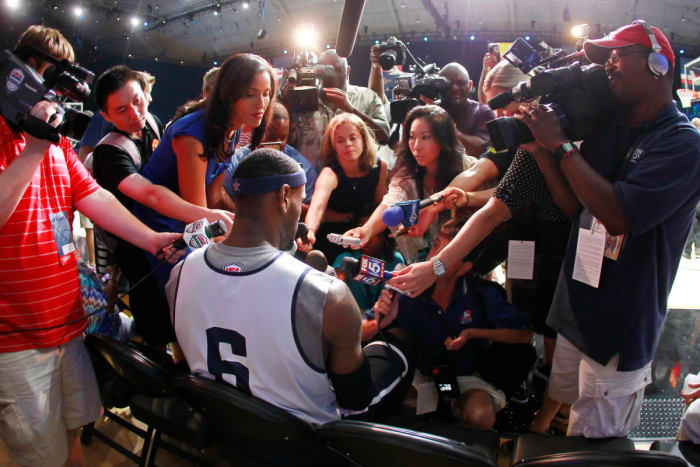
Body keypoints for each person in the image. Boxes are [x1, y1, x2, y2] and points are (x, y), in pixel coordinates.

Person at [404, 22, 700, 438]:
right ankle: (544, 429)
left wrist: (559, 145)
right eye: (606, 59)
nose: (610, 67)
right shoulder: (614, 129)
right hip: (578, 302)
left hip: (619, 322)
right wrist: (542, 150)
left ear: (657, 63)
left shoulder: (682, 143)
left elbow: (617, 215)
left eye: (618, 56)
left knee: (594, 442)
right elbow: (575, 207)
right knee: (566, 402)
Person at [0, 25, 181, 467]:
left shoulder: (56, 143)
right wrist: (32, 150)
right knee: (40, 455)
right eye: (39, 74)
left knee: (73, 434)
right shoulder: (28, 142)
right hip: (16, 340)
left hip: (66, 323)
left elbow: (94, 197)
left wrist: (152, 238)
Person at [166, 148, 410, 427]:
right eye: (300, 201)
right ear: (284, 197)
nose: (300, 217)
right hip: (301, 442)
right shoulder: (325, 293)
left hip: (221, 422)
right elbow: (355, 398)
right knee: (400, 346)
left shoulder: (179, 274)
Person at [385, 60, 575, 388]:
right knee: (534, 307)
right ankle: (544, 382)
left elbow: (495, 210)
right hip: (526, 237)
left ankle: (553, 395)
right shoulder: (519, 141)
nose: (498, 117)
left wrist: (436, 266)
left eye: (505, 105)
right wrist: (434, 204)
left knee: (558, 320)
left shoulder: (550, 137)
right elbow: (476, 176)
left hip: (567, 243)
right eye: (494, 106)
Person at [92, 65, 233, 350]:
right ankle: (156, 371)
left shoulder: (152, 124)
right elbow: (150, 194)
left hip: (170, 227)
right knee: (153, 310)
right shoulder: (109, 152)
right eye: (121, 110)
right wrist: (206, 214)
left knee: (182, 303)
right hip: (132, 240)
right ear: (106, 116)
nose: (134, 113)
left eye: (137, 100)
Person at [135, 52, 275, 289]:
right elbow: (198, 213)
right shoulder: (193, 135)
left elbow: (215, 195)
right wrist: (238, 245)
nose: (261, 104)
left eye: (266, 94)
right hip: (161, 226)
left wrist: (252, 226)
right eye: (250, 94)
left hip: (191, 222)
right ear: (229, 94)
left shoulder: (235, 129)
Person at [395, 217, 533, 429]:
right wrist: (383, 310)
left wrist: (475, 333)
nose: (433, 258)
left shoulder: (482, 294)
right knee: (400, 406)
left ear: (463, 267)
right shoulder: (408, 291)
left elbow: (524, 335)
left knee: (481, 414)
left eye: (445, 256)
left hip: (468, 378)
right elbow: (377, 330)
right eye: (436, 246)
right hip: (423, 376)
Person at [345, 105, 473, 264]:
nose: (416, 145)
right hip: (426, 264)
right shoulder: (408, 173)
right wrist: (366, 230)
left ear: (443, 138)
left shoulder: (466, 167)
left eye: (425, 137)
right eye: (412, 137)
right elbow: (391, 202)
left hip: (465, 261)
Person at [298, 113, 388, 263]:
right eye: (340, 140)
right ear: (334, 146)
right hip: (334, 240)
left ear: (363, 140)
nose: (347, 144)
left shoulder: (380, 167)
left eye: (353, 138)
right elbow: (317, 208)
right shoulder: (329, 173)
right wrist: (310, 231)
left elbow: (380, 206)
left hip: (366, 235)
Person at [284, 49, 390, 170]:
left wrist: (352, 110)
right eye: (325, 70)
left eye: (336, 69)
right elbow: (286, 139)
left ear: (348, 70)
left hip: (359, 179)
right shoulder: (305, 98)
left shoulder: (366, 96)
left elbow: (384, 136)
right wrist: (285, 98)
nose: (331, 75)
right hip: (315, 180)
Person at [230, 101, 317, 210]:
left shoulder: (304, 169)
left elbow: (312, 212)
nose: (277, 143)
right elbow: (221, 199)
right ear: (256, 131)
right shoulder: (234, 162)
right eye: (270, 135)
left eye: (283, 137)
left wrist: (285, 198)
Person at [437, 62, 496, 157]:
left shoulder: (482, 112)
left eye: (460, 83)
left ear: (470, 85)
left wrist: (446, 123)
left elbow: (480, 150)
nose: (454, 87)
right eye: (448, 83)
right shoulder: (429, 110)